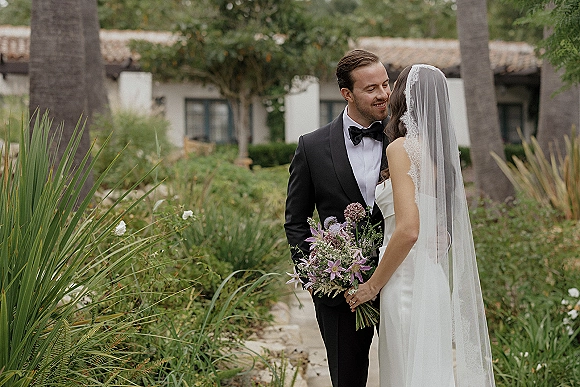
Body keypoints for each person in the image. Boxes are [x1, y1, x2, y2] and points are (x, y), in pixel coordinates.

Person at [345, 64, 496, 386]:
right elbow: (432, 223)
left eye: (394, 86)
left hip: (406, 283)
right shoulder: (440, 154)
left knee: (405, 374)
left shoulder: (401, 148)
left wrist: (371, 286)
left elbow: (409, 230)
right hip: (433, 279)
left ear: (405, 97)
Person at [284, 49, 391, 387]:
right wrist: (316, 280)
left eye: (386, 85)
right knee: (347, 379)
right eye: (371, 88)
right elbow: (295, 220)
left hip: (400, 279)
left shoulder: (404, 138)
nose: (384, 94)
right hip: (339, 293)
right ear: (348, 94)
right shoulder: (312, 147)